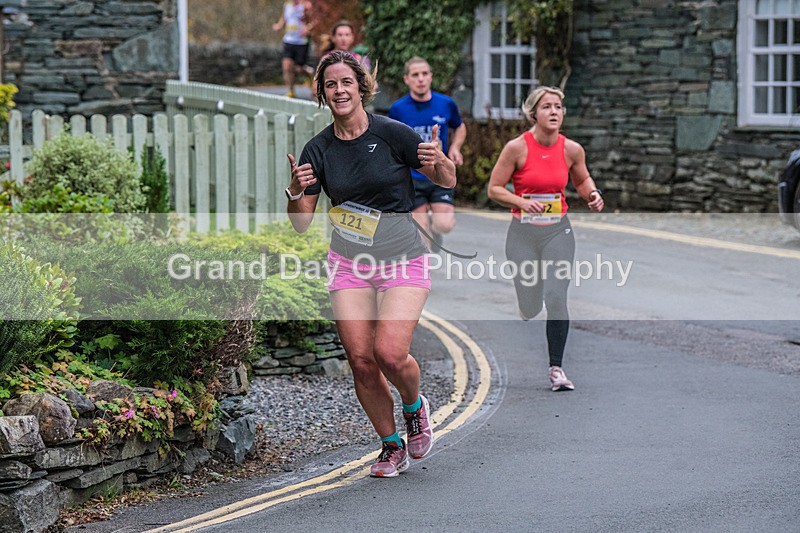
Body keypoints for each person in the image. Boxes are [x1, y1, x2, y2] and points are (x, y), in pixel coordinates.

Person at [285, 50, 457, 477]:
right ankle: (390, 445)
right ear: (322, 94)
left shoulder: (393, 133)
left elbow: (447, 180)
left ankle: (415, 407)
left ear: (361, 87)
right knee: (361, 360)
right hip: (349, 263)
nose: (339, 90)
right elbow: (301, 224)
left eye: (346, 82)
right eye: (331, 84)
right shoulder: (318, 149)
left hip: (402, 259)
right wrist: (293, 191)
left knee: (389, 353)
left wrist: (440, 162)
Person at [487, 86, 604, 392]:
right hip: (522, 234)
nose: (554, 112)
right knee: (531, 304)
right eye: (547, 107)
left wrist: (592, 194)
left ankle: (556, 369)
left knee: (555, 296)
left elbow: (581, 179)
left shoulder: (571, 150)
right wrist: (522, 202)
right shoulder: (517, 148)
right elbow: (494, 188)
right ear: (533, 113)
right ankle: (526, 304)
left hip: (558, 230)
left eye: (558, 107)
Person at [388, 57, 466, 249]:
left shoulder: (446, 104)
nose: (420, 79)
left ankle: (435, 226)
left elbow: (460, 126)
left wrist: (455, 148)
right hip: (413, 177)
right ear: (407, 79)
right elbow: (390, 140)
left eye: (424, 74)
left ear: (431, 77)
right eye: (415, 75)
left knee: (444, 225)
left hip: (440, 172)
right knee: (420, 238)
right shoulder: (398, 109)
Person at [272, 0, 315, 98]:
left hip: (301, 42)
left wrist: (307, 28)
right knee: (286, 66)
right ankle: (291, 91)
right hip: (289, 40)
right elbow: (284, 18)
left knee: (299, 68)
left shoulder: (305, 6)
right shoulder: (287, 5)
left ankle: (308, 73)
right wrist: (279, 26)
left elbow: (313, 21)